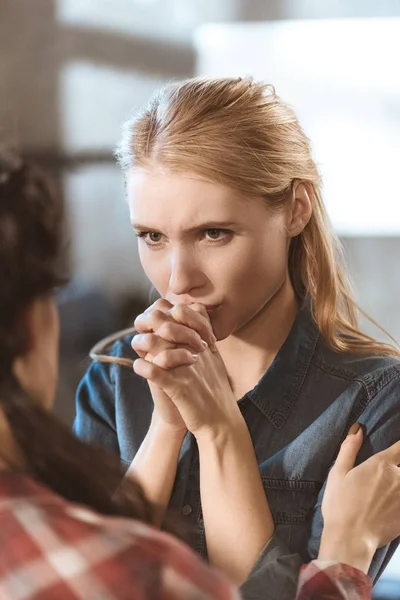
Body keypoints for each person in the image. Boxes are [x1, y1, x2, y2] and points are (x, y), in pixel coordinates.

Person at [1, 152, 398, 600]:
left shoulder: (375, 398)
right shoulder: (114, 376)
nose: (177, 279)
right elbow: (90, 568)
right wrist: (166, 430)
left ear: (296, 209)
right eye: (152, 236)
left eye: (214, 233)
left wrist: (219, 428)